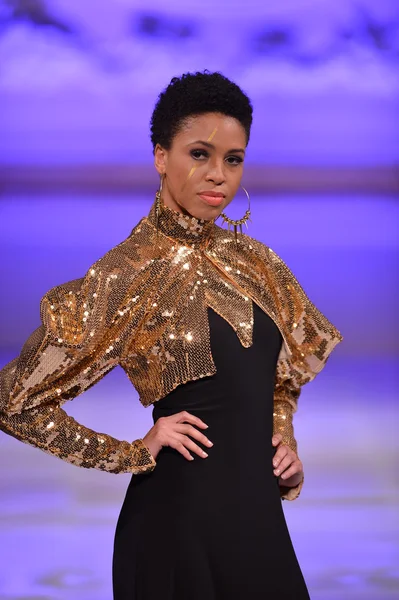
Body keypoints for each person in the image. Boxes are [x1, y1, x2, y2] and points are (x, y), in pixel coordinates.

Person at [0, 70, 343, 599]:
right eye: (199, 154)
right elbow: (14, 401)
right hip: (174, 529)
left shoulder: (257, 263)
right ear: (161, 156)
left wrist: (284, 448)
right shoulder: (128, 273)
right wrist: (130, 452)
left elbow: (279, 382)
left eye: (233, 159)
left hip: (256, 525)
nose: (218, 175)